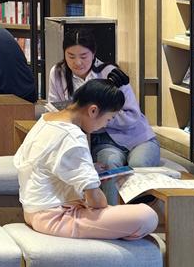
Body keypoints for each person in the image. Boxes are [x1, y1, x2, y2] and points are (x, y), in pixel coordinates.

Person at [15, 79, 159, 240]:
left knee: (126, 216)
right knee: (147, 216)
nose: (104, 125)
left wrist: (90, 172)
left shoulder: (47, 119)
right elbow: (96, 202)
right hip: (56, 216)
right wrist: (95, 188)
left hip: (34, 210)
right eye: (108, 119)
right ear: (93, 111)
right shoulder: (72, 136)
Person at [46, 29, 159, 202]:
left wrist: (97, 117)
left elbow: (132, 116)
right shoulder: (58, 73)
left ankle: (138, 213)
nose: (77, 62)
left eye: (84, 56)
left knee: (139, 166)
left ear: (93, 53)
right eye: (71, 56)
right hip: (102, 141)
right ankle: (110, 212)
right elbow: (55, 110)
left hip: (138, 138)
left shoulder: (110, 73)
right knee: (109, 164)